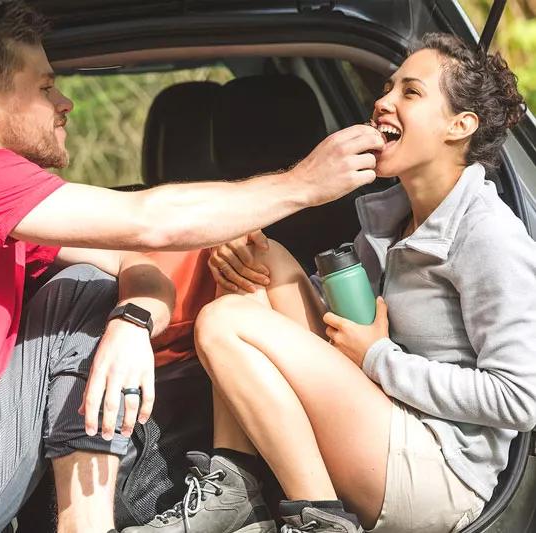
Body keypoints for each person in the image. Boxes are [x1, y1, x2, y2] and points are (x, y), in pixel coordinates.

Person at [0, 1, 386, 532]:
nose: (65, 104)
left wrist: (133, 323)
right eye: (44, 87)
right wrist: (304, 185)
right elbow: (150, 222)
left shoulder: (1, 218)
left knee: (87, 289)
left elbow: (128, 259)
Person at [125, 32, 536, 533]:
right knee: (259, 261)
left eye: (410, 92)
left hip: (439, 473)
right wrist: (246, 251)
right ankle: (233, 487)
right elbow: (331, 326)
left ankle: (317, 517)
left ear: (460, 125)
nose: (382, 101)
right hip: (383, 419)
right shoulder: (392, 215)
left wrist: (379, 359)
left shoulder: (488, 233)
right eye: (387, 87)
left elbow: (520, 399)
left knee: (224, 322)